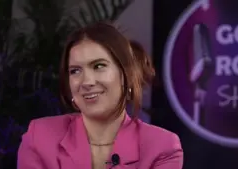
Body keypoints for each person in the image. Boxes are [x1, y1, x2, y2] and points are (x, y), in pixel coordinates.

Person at [17, 22, 183, 169]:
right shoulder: (39, 137)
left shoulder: (162, 147)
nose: (86, 82)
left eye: (98, 66)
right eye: (75, 71)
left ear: (126, 74)